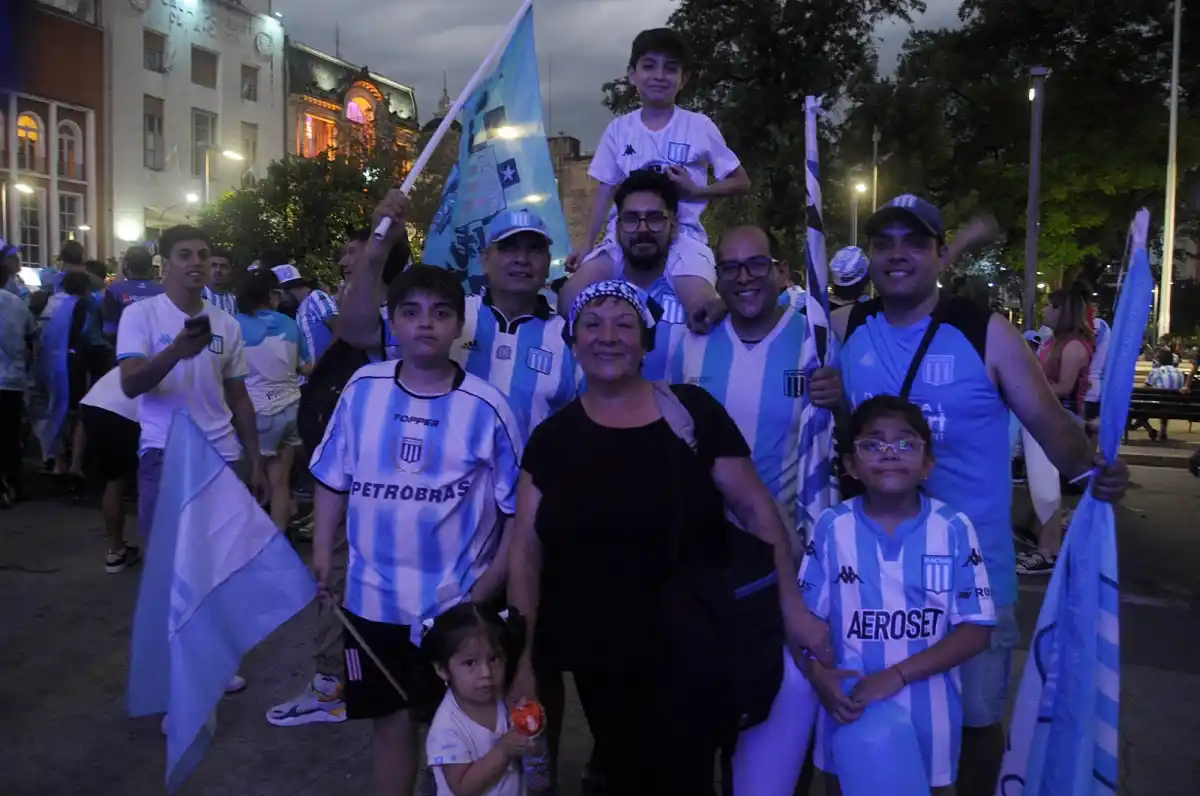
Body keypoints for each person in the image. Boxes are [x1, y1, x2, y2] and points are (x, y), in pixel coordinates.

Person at [835, 194, 1129, 796]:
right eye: (884, 242)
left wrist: (1097, 474)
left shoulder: (987, 334)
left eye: (914, 243)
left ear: (939, 255)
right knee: (876, 723)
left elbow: (1056, 435)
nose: (897, 255)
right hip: (870, 578)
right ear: (869, 256)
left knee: (973, 728)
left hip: (970, 581)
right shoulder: (847, 328)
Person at [506, 280, 832, 795]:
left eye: (624, 324)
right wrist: (522, 660)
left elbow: (758, 512)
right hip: (602, 659)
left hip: (695, 648)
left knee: (685, 774)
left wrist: (792, 609)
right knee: (625, 768)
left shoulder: (691, 413)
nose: (607, 336)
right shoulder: (553, 439)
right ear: (574, 341)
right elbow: (525, 552)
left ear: (646, 341)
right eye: (592, 324)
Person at [309, 265, 522, 796]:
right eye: (411, 311)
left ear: (459, 326)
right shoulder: (363, 388)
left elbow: (519, 511)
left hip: (454, 609)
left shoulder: (489, 406)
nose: (425, 324)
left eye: (440, 312)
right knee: (391, 725)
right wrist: (320, 555)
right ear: (393, 322)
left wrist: (487, 587)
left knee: (466, 731)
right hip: (372, 603)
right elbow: (334, 478)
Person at [666, 224, 843, 796]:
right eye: (731, 267)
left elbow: (846, 436)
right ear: (718, 275)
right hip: (699, 564)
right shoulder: (689, 341)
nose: (744, 278)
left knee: (773, 718)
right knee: (704, 712)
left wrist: (843, 401)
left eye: (756, 265)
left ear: (781, 271)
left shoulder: (813, 337)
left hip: (779, 562)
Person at [801, 395, 995, 796]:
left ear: (928, 464)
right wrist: (819, 677)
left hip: (931, 724)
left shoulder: (953, 528)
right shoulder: (831, 527)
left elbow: (976, 630)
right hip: (849, 714)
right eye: (873, 444)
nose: (890, 454)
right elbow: (805, 622)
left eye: (906, 444)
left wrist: (896, 675)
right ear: (851, 465)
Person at [560, 26, 749, 329]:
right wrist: (585, 246)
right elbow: (604, 193)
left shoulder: (699, 126)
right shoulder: (619, 130)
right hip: (625, 235)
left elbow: (741, 181)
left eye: (670, 68)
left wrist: (697, 191)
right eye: (649, 66)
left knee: (702, 310)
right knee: (569, 299)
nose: (659, 76)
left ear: (683, 79)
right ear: (632, 74)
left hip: (683, 235)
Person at [116, 225, 268, 540]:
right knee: (167, 560)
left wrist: (255, 461)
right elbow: (131, 384)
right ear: (166, 263)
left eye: (203, 255)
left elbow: (238, 396)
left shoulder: (227, 324)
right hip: (165, 452)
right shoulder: (139, 315)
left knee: (222, 558)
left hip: (222, 454)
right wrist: (176, 351)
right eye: (184, 255)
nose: (196, 262)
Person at [454, 209, 577, 436]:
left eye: (534, 249)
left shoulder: (569, 338)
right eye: (509, 248)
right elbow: (367, 333)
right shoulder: (453, 317)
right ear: (485, 260)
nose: (522, 259)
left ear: (548, 263)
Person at [1015, 283, 1095, 576]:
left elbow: (1065, 388)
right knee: (1041, 485)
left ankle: (1049, 552)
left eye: (1051, 305)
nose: (1045, 310)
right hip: (1045, 416)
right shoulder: (1054, 343)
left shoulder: (1073, 347)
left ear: (1064, 311)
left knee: (1047, 488)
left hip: (1059, 419)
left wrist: (1028, 387)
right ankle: (1043, 544)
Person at [424, 604, 532, 796]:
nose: (486, 673)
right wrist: (503, 750)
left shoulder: (505, 700)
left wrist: (530, 725)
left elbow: (531, 754)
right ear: (442, 669)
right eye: (470, 663)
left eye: (494, 659)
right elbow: (463, 788)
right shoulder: (447, 729)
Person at [234, 268, 312, 532]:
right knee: (281, 482)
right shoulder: (290, 324)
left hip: (257, 412)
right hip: (292, 409)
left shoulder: (234, 325)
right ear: (270, 295)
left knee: (254, 481)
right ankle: (278, 543)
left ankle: (253, 546)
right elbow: (306, 367)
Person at [79, 367, 142, 572]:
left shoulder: (133, 358)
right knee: (119, 482)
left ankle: (116, 550)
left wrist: (76, 461)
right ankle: (118, 553)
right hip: (121, 413)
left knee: (113, 483)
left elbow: (81, 422)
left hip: (92, 406)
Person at [0, 280, 35, 507]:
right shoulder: (18, 304)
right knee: (10, 437)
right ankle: (13, 485)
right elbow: (30, 339)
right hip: (11, 380)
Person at [274, 263, 339, 370]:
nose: (281, 301)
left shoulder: (316, 297)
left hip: (327, 374)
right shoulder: (298, 310)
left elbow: (339, 330)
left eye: (280, 296)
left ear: (287, 289)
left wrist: (323, 364)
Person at [101, 246, 163, 342]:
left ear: (125, 266)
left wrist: (113, 270)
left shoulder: (114, 289)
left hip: (123, 344)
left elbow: (109, 330)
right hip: (158, 343)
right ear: (151, 267)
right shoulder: (163, 290)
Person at [201, 248, 238, 315]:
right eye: (213, 265)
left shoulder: (234, 302)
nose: (218, 270)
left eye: (223, 266)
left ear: (230, 270)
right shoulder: (193, 297)